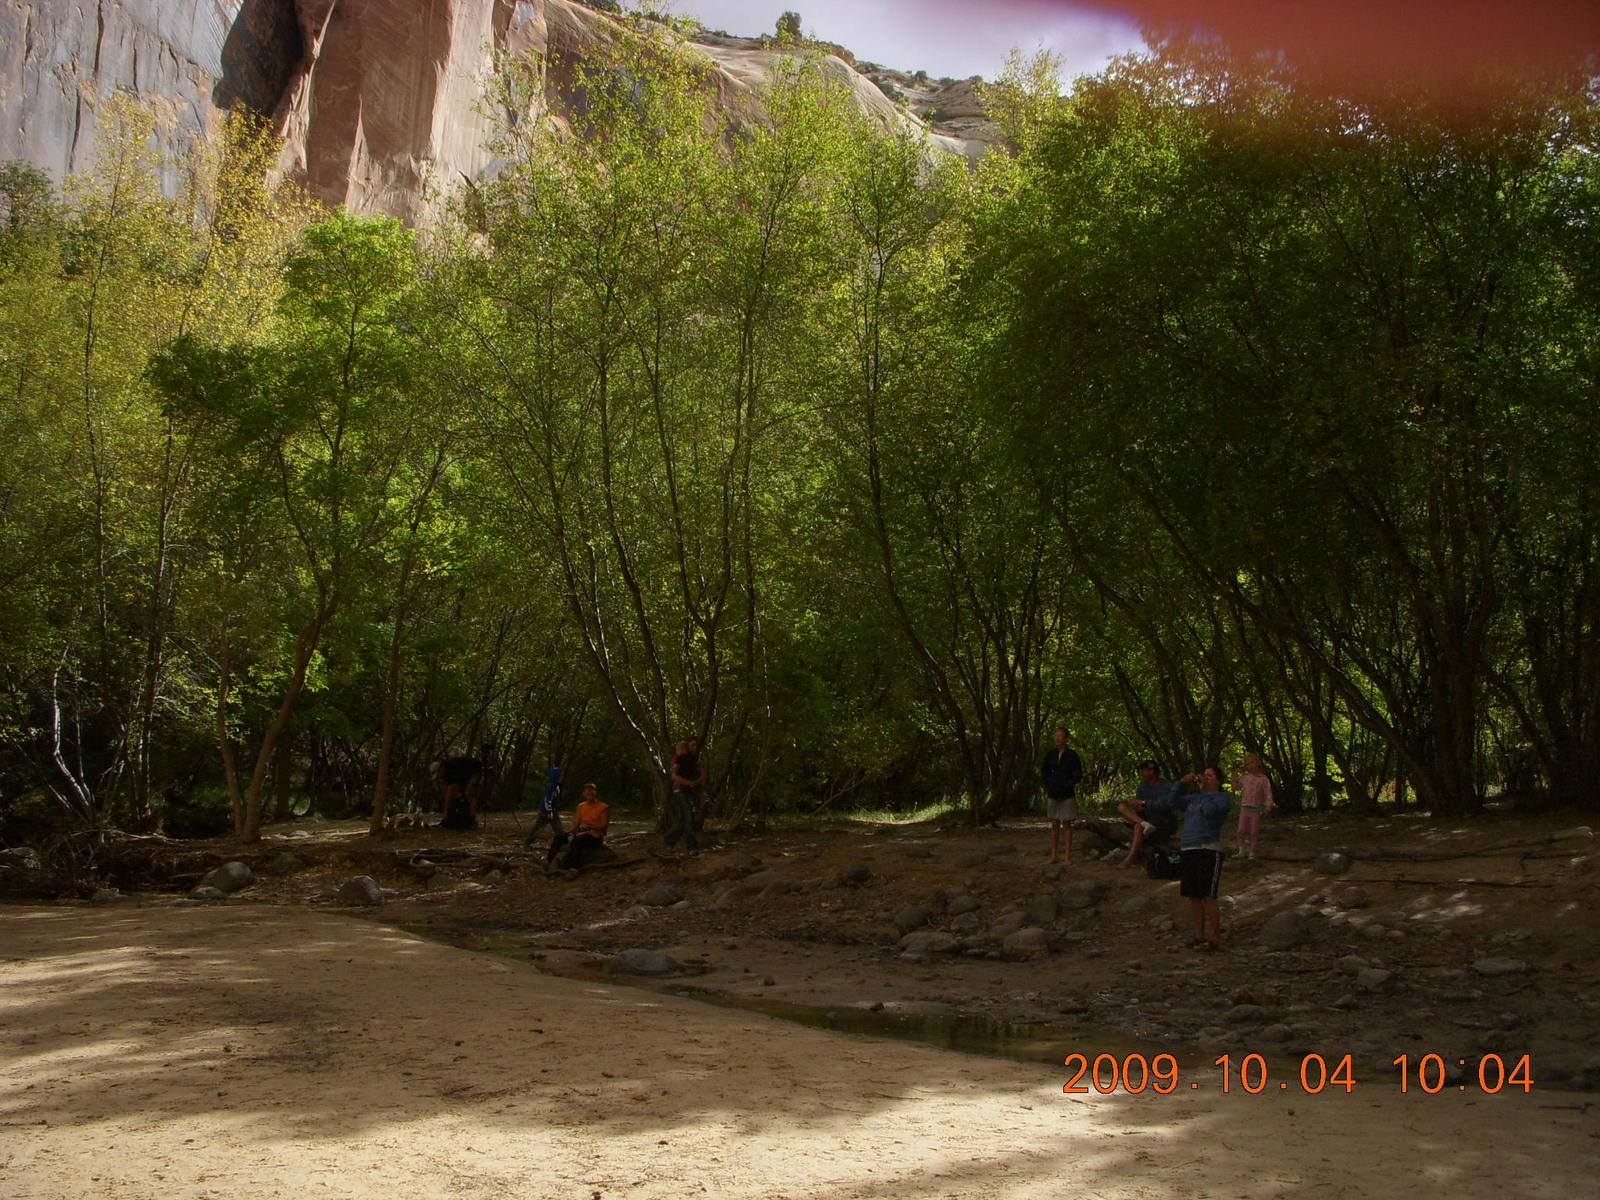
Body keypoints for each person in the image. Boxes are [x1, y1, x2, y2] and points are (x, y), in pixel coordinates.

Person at [1156, 765, 1232, 951]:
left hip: (1208, 849)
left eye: (1209, 776)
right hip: (1189, 848)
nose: (1205, 778)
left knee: (1208, 895)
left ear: (1218, 780)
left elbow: (1210, 812)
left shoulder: (1222, 798)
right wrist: (1181, 783)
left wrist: (1205, 791)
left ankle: (1214, 938)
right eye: (1204, 775)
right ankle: (1198, 936)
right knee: (1193, 896)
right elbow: (1171, 802)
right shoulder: (1193, 799)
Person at [1116, 759, 1180, 869]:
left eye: (1143, 770)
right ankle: (1145, 824)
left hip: (1164, 822)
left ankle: (1129, 860)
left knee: (1138, 827)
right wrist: (1137, 806)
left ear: (1151, 771)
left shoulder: (1167, 786)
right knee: (1122, 807)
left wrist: (1144, 803)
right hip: (1148, 818)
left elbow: (1165, 805)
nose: (1141, 773)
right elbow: (1140, 806)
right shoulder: (1142, 786)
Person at [1039, 727, 1083, 866]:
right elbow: (1044, 771)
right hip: (1053, 792)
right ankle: (1054, 856)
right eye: (1056, 735)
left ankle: (1067, 857)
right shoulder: (1050, 754)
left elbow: (1078, 773)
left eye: (1060, 736)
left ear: (1066, 738)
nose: (1057, 738)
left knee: (1067, 824)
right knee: (1054, 824)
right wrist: (1048, 784)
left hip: (1067, 793)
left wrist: (1069, 783)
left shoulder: (1072, 755)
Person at [556, 783, 609, 871]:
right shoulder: (581, 806)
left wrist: (590, 827)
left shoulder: (603, 807)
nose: (589, 792)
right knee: (561, 838)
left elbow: (604, 825)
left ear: (595, 792)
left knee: (576, 842)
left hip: (595, 836)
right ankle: (555, 862)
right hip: (581, 833)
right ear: (583, 793)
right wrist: (573, 831)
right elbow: (576, 822)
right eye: (586, 791)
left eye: (591, 790)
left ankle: (574, 866)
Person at [1232, 752, 1274, 858]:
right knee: (1240, 830)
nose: (1250, 765)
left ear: (1257, 763)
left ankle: (1252, 852)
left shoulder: (1263, 779)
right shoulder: (1245, 778)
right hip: (1244, 807)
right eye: (1248, 763)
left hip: (1256, 808)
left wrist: (1268, 806)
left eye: (1252, 762)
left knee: (1254, 831)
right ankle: (1241, 850)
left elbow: (1268, 793)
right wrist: (1234, 776)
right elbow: (1235, 787)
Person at [665, 738, 702, 855]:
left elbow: (701, 773)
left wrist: (696, 782)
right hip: (681, 791)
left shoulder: (693, 759)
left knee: (686, 819)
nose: (694, 748)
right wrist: (690, 783)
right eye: (692, 745)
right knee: (688, 818)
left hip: (690, 791)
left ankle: (670, 840)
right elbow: (674, 775)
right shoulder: (678, 759)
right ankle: (692, 846)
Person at [435, 754, 484, 831]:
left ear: (440, 769)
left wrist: (445, 810)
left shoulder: (451, 768)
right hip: (466, 775)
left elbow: (451, 790)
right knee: (462, 795)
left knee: (469, 794)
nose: (440, 777)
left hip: (475, 771)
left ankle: (471, 820)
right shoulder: (448, 770)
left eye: (438, 774)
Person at [524, 765, 564, 848]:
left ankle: (562, 842)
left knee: (558, 828)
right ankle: (528, 841)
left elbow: (555, 799)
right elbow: (547, 799)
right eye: (560, 776)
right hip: (546, 812)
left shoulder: (557, 787)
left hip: (554, 811)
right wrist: (549, 811)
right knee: (538, 827)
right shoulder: (550, 787)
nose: (561, 778)